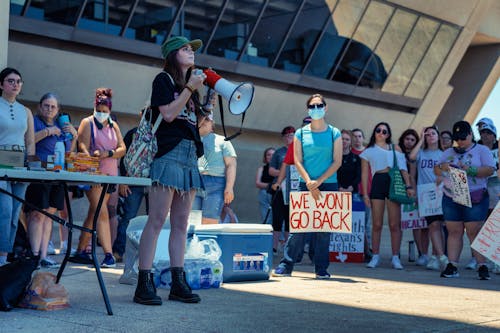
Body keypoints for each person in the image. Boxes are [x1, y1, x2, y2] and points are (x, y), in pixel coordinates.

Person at [134, 36, 206, 305]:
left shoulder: (191, 88)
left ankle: (178, 281)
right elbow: (168, 115)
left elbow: (188, 122)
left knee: (180, 224)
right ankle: (144, 281)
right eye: (186, 49)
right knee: (156, 220)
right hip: (167, 155)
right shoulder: (163, 80)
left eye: (192, 50)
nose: (191, 53)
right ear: (173, 54)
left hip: (188, 156)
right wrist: (189, 88)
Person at [272, 93, 342, 279]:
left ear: (325, 108)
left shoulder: (335, 133)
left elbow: (337, 161)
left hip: (329, 185)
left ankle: (321, 269)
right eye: (312, 106)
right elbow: (297, 160)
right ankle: (286, 265)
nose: (316, 109)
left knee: (324, 230)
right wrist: (309, 182)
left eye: (320, 106)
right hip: (305, 184)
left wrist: (318, 182)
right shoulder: (300, 133)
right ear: (308, 109)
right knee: (299, 228)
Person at [69, 88, 126, 268]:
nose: (101, 114)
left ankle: (80, 249)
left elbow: (122, 149)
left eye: (105, 111)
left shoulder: (113, 125)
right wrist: (92, 156)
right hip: (93, 174)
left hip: (110, 175)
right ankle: (108, 254)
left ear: (109, 111)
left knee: (94, 212)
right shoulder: (88, 122)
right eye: (99, 110)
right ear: (95, 108)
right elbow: (82, 145)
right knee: (101, 211)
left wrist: (107, 153)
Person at [434, 120, 495, 280]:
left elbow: (490, 169)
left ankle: (482, 266)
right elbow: (436, 169)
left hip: (474, 196)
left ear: (470, 135)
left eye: (463, 138)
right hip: (451, 196)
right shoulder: (449, 152)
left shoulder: (481, 150)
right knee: (454, 231)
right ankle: (453, 265)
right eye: (457, 138)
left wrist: (471, 170)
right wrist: (444, 167)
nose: (460, 142)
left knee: (474, 231)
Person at [24, 93, 77, 268]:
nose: (49, 109)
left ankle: (44, 256)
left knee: (49, 216)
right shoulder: (34, 120)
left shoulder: (61, 125)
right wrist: (47, 132)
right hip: (39, 173)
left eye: (53, 107)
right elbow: (28, 140)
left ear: (58, 110)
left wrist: (74, 136)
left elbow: (69, 153)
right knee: (37, 215)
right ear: (40, 106)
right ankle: (34, 255)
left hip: (58, 174)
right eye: (46, 105)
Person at [361, 122, 414, 269]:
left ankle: (395, 257)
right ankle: (375, 255)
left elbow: (403, 168)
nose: (381, 133)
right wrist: (365, 193)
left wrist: (408, 185)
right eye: (378, 130)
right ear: (375, 132)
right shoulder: (368, 150)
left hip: (393, 181)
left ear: (388, 134)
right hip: (377, 182)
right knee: (376, 223)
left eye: (385, 131)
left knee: (394, 224)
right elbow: (364, 174)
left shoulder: (395, 148)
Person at [0, 67, 35, 266]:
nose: (15, 84)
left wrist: (30, 164)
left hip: (20, 163)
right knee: (3, 209)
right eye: (11, 81)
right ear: (1, 84)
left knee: (14, 213)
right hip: (1, 164)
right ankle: (1, 257)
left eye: (18, 81)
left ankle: (6, 256)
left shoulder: (26, 111)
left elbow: (30, 142)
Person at [408, 126, 448, 271]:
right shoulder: (421, 153)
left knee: (440, 226)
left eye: (433, 133)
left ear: (438, 136)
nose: (430, 136)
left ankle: (436, 256)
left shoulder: (443, 154)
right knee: (432, 225)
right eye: (428, 134)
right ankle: (437, 257)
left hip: (441, 194)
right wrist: (420, 139)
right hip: (425, 194)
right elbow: (411, 157)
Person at [112, 109, 149, 262]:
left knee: (154, 219)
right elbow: (123, 159)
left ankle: (149, 254)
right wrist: (123, 182)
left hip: (155, 182)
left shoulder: (161, 134)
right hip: (133, 182)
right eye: (145, 114)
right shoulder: (132, 134)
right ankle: (118, 251)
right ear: (141, 115)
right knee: (128, 217)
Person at [192, 113, 237, 224]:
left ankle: (207, 242)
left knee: (210, 221)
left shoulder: (223, 141)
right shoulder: (190, 138)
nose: (203, 121)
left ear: (212, 123)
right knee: (191, 220)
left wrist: (229, 187)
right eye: (201, 118)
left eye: (207, 119)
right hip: (193, 181)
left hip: (216, 184)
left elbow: (231, 164)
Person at [399, 129, 430, 266]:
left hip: (414, 190)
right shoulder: (397, 151)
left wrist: (413, 190)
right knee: (397, 224)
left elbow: (412, 175)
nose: (409, 141)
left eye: (412, 139)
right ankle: (396, 252)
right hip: (398, 191)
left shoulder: (418, 154)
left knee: (417, 225)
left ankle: (422, 253)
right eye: (407, 139)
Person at [269, 126, 295, 252]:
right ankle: (274, 246)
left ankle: (289, 247)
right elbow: (271, 170)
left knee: (291, 219)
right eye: (286, 135)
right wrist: (284, 173)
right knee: (277, 218)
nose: (289, 138)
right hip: (279, 189)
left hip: (294, 190)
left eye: (291, 135)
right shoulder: (278, 153)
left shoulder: (300, 151)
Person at [351, 128, 372, 260]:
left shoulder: (368, 153)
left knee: (366, 222)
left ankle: (367, 248)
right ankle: (355, 248)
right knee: (353, 222)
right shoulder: (349, 153)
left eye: (360, 136)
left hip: (367, 191)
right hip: (352, 191)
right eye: (355, 136)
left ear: (363, 138)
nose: (357, 139)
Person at [476, 117, 499, 216]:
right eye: (482, 133)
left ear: (494, 135)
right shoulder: (475, 149)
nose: (484, 135)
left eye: (488, 133)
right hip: (482, 190)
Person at [255, 147, 275, 224]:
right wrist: (271, 185)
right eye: (268, 155)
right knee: (266, 217)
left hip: (278, 194)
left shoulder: (280, 169)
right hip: (265, 194)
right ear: (265, 157)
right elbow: (258, 183)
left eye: (273, 155)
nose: (271, 157)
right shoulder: (262, 169)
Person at [338, 129, 361, 194]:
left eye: (347, 139)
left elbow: (358, 176)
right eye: (342, 139)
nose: (344, 141)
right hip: (336, 191)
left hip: (352, 191)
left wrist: (351, 187)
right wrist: (339, 187)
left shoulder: (356, 158)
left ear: (351, 142)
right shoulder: (333, 157)